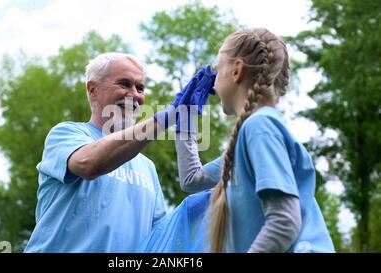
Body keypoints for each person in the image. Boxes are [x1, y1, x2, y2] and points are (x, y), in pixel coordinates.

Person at [140, 28, 335, 253]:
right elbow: (191, 180)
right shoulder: (251, 136)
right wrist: (186, 120)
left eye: (217, 68)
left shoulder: (259, 127)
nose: (212, 84)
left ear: (237, 71)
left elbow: (285, 222)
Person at [24, 52, 216, 252]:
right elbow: (90, 164)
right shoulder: (65, 134)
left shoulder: (147, 167)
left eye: (140, 87)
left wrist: (204, 207)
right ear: (92, 90)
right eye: (124, 84)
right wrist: (165, 118)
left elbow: (159, 240)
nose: (134, 94)